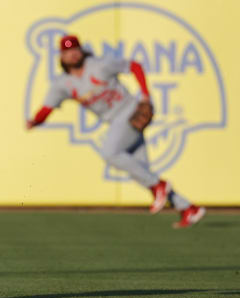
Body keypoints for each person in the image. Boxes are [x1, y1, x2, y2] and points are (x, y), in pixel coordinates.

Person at [26, 35, 206, 229]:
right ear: (61, 56)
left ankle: (159, 187)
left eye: (75, 49)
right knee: (141, 170)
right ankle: (188, 208)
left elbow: (134, 66)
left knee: (110, 153)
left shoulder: (99, 65)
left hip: (130, 112)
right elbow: (47, 108)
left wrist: (145, 94)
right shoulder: (63, 84)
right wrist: (35, 121)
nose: (72, 54)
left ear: (81, 50)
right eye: (67, 52)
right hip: (115, 122)